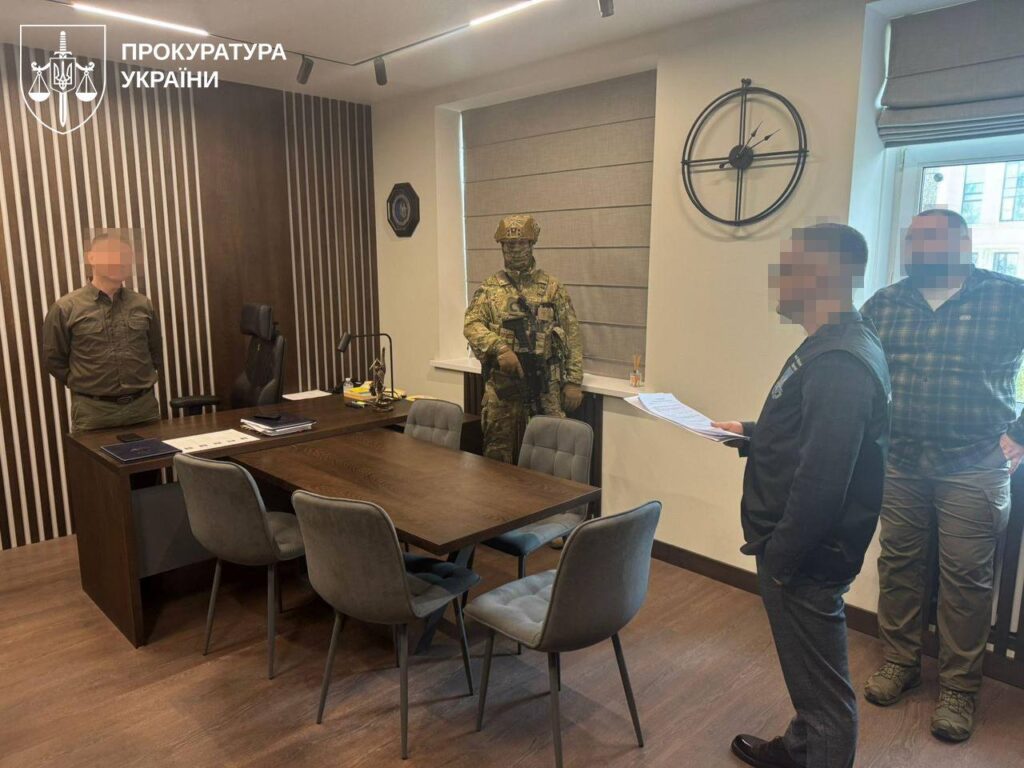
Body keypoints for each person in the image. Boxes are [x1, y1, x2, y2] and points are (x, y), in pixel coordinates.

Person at [713, 223, 891, 768]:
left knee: (825, 695)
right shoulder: (830, 344)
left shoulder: (840, 360)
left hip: (806, 557)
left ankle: (817, 750)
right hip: (800, 550)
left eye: (788, 267)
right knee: (809, 674)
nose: (778, 279)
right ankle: (799, 750)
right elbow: (812, 437)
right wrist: (750, 432)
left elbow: (823, 482)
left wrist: (782, 559)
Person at [859, 208, 1022, 742]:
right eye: (912, 239)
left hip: (974, 464)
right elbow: (860, 374)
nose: (919, 247)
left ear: (964, 241)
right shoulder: (884, 304)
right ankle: (900, 662)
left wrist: (1021, 434)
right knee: (898, 567)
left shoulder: (1009, 297)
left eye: (931, 237)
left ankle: (958, 689)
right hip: (901, 463)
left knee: (966, 581)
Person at [463, 213, 583, 464]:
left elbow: (571, 333)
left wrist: (573, 381)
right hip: (503, 385)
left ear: (531, 244)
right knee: (496, 456)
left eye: (521, 243)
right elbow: (471, 325)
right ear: (501, 247)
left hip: (544, 384)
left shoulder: (552, 287)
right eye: (509, 244)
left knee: (549, 454)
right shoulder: (490, 288)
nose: (515, 249)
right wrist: (500, 348)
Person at [42, 229, 163, 431]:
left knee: (152, 453)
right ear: (91, 258)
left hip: (143, 408)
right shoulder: (66, 308)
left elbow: (155, 352)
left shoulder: (143, 304)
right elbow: (54, 359)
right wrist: (84, 383)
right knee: (93, 455)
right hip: (94, 412)